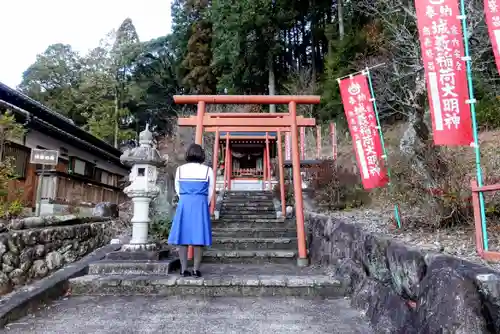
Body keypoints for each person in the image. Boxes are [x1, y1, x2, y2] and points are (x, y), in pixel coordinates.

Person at [168, 143, 214, 277]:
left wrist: (185, 197)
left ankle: (183, 269)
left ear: (188, 154)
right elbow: (210, 190)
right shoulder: (207, 170)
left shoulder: (180, 169)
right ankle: (196, 269)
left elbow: (177, 187)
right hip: (200, 202)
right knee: (198, 236)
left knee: (183, 236)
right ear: (202, 155)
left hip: (185, 202)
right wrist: (205, 202)